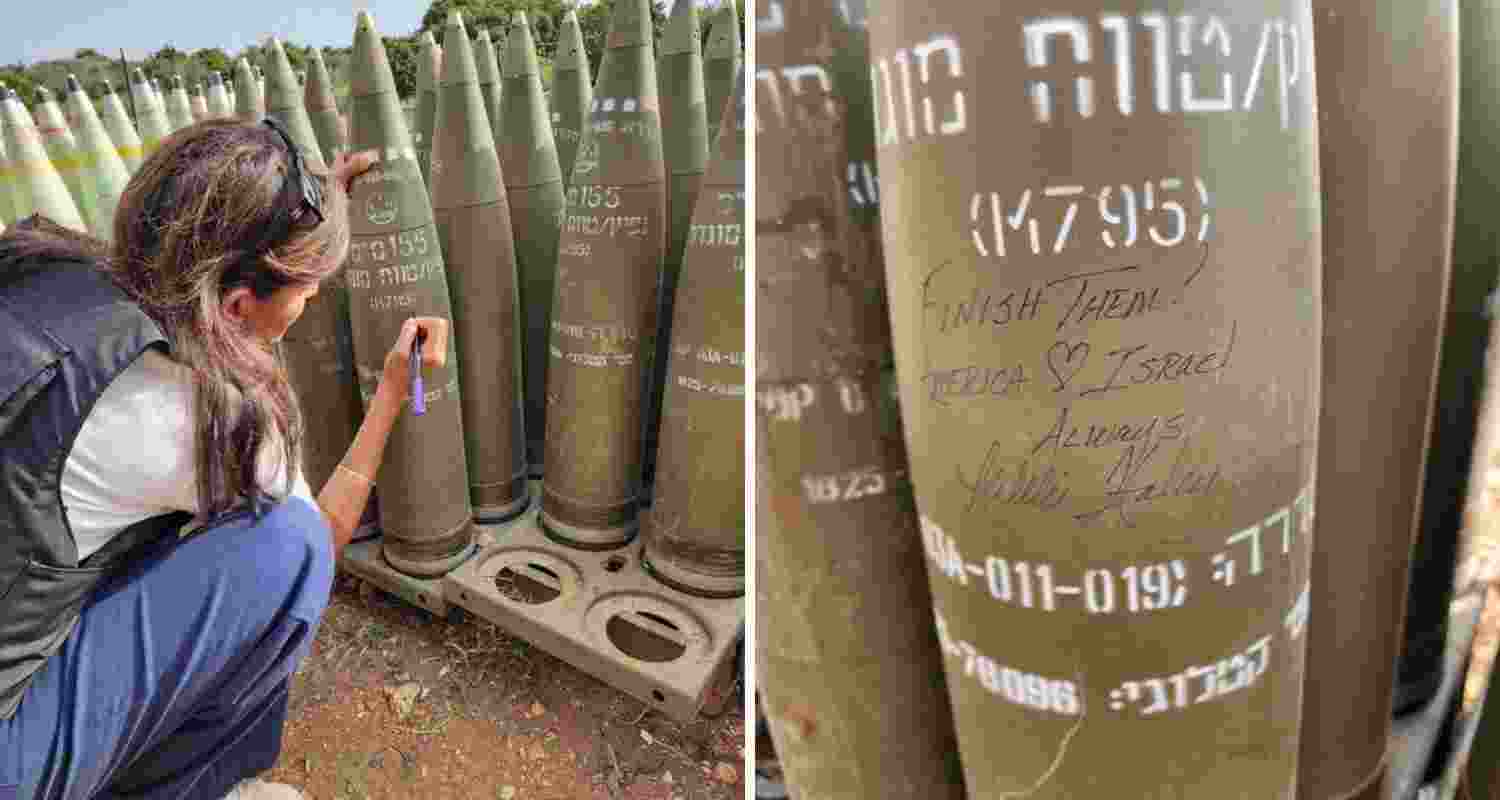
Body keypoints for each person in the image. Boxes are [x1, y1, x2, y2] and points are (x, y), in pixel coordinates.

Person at [0, 117, 447, 800]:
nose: (315, 297)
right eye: (304, 286)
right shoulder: (188, 415)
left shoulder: (46, 265)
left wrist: (324, 198)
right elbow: (320, 542)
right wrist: (390, 392)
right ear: (238, 302)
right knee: (284, 548)